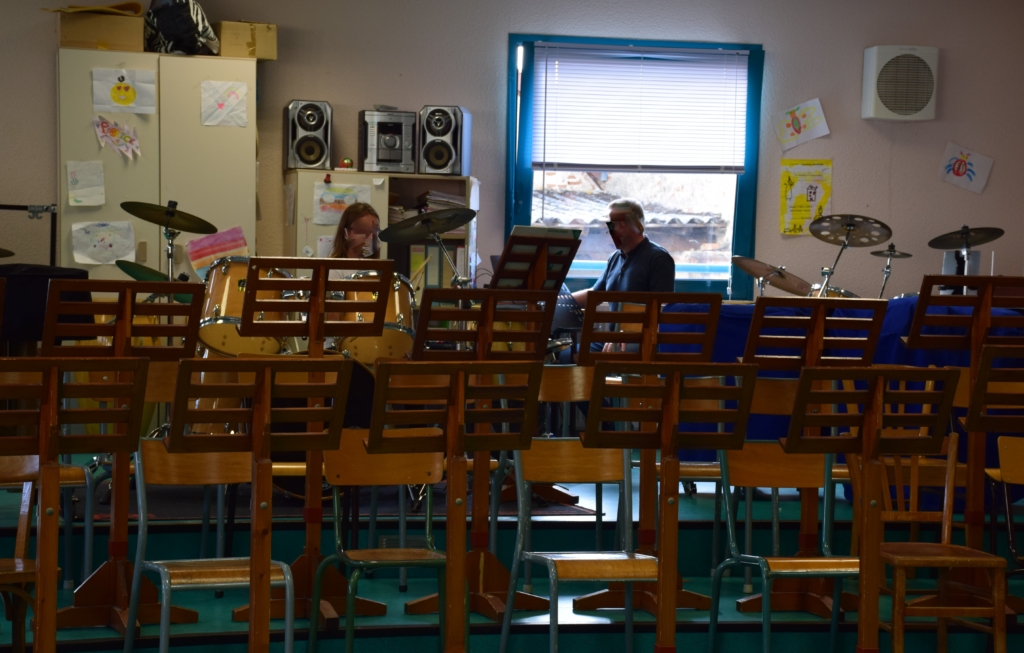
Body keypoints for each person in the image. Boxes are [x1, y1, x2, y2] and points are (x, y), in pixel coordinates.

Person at [570, 198, 675, 309]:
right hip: (617, 327)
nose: (608, 230)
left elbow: (663, 308)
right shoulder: (615, 257)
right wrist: (559, 301)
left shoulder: (658, 259)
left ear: (622, 224)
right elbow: (595, 295)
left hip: (641, 327)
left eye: (610, 224)